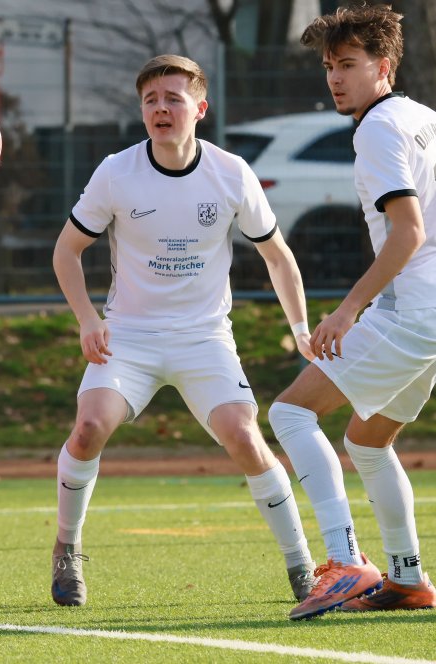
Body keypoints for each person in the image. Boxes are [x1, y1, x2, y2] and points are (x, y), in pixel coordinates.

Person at [50, 54, 318, 608]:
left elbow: (278, 257)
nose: (161, 109)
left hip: (204, 339)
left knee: (245, 438)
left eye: (173, 98)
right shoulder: (116, 172)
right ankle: (67, 550)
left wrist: (301, 327)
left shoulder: (231, 172)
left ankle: (301, 564)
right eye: (151, 100)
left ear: (200, 107)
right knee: (88, 428)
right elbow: (67, 251)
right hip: (130, 337)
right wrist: (87, 319)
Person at [270, 5, 436, 620]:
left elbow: (408, 233)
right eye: (328, 66)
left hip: (413, 311)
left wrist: (345, 312)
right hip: (428, 314)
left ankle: (344, 563)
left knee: (289, 412)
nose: (335, 78)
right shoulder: (423, 117)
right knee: (368, 440)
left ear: (383, 67)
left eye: (349, 65)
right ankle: (407, 576)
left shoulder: (377, 129)